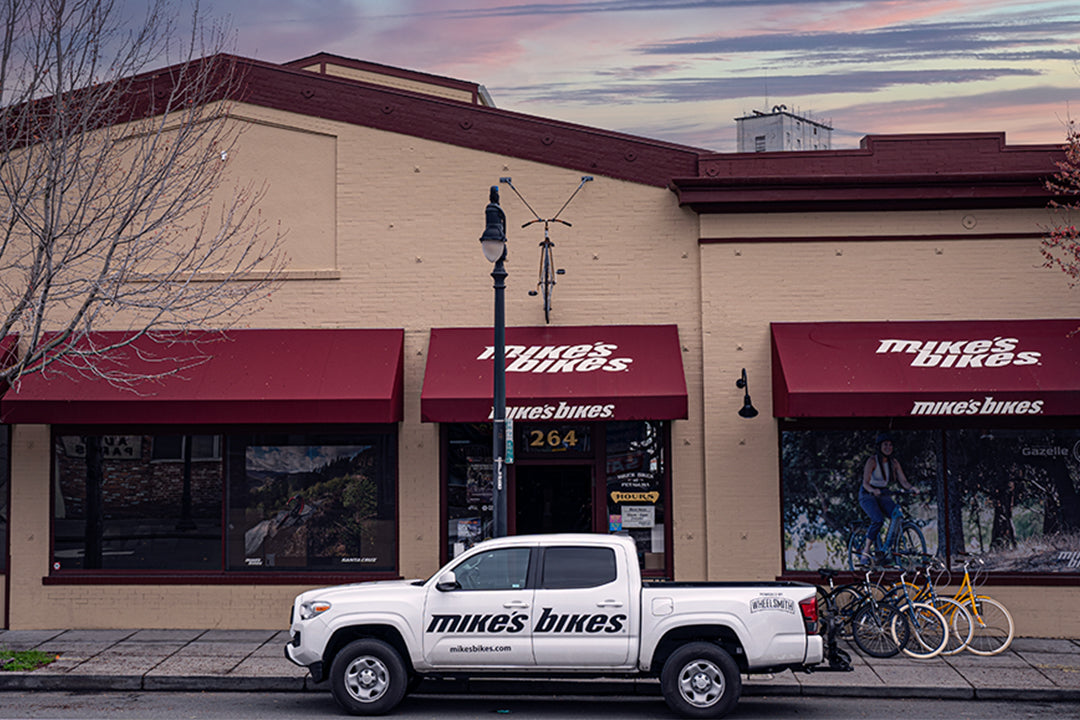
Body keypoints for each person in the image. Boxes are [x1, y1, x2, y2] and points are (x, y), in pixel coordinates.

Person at [857, 433, 917, 565]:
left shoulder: (893, 463)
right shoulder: (872, 461)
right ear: (879, 447)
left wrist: (912, 488)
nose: (888, 447)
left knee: (897, 515)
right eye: (885, 445)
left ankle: (887, 548)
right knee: (878, 519)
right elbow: (865, 483)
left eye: (890, 445)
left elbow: (903, 481)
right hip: (868, 494)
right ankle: (865, 551)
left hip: (883, 493)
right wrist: (873, 490)